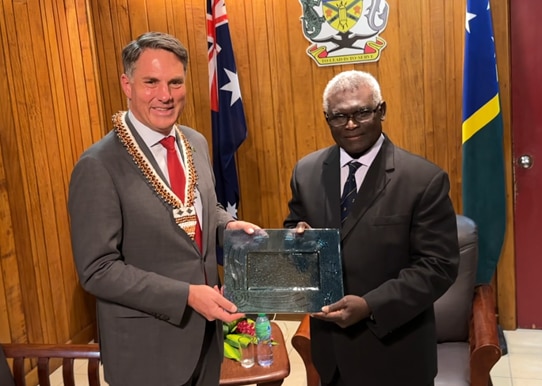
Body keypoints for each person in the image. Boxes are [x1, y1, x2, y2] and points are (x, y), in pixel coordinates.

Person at [68, 32, 259, 386]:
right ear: (127, 84)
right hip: (147, 352)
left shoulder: (195, 142)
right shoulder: (98, 165)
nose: (165, 96)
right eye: (151, 82)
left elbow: (200, 208)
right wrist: (185, 295)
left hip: (206, 340)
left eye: (175, 82)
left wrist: (225, 226)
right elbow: (97, 269)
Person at [284, 70, 460, 386]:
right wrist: (299, 241)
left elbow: (438, 267)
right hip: (332, 355)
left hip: (396, 352)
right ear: (327, 118)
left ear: (381, 110)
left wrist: (370, 306)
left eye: (362, 112)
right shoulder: (306, 172)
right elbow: (293, 232)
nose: (351, 124)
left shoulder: (423, 179)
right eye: (339, 116)